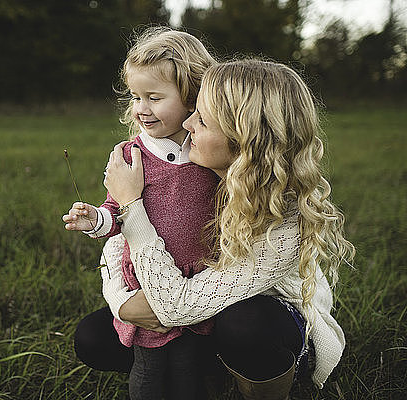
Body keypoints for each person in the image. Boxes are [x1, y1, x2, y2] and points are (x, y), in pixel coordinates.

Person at [97, 59, 355, 400]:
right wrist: (121, 302)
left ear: (243, 138)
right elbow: (117, 245)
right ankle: (205, 373)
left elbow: (176, 307)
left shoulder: (284, 220)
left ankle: (270, 386)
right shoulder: (200, 175)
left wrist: (131, 205)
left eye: (202, 119)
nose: (187, 124)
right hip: (196, 313)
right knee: (94, 337)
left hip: (264, 326)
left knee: (244, 324)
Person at [62, 26, 219, 399]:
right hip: (149, 283)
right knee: (149, 369)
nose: (141, 108)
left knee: (187, 367)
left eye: (154, 97)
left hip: (200, 282)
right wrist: (96, 220)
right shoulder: (133, 155)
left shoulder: (211, 150)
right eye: (135, 96)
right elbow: (116, 211)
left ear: (192, 96)